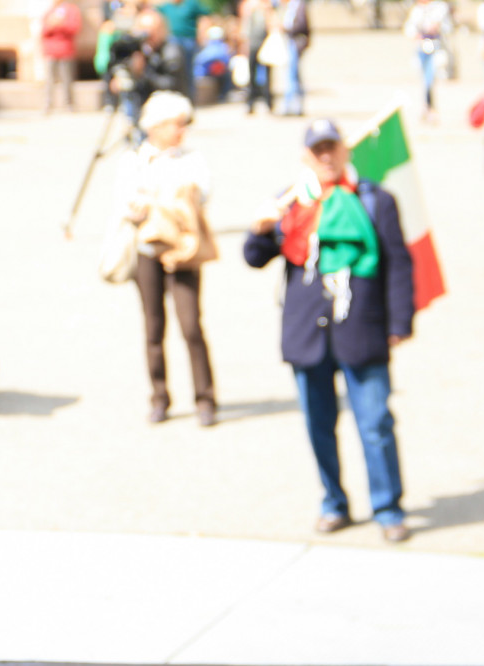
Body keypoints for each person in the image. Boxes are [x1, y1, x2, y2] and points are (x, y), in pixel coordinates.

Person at [243, 119, 413, 544]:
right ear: (306, 155)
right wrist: (261, 228)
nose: (325, 156)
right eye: (317, 149)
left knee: (375, 423)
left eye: (331, 147)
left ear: (345, 150)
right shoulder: (290, 201)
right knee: (319, 425)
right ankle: (334, 501)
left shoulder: (376, 199)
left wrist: (398, 322)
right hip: (308, 333)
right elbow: (255, 256)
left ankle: (388, 507)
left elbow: (398, 263)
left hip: (362, 327)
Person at [115, 91, 218, 426]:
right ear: (157, 126)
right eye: (176, 124)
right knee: (153, 327)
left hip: (183, 251)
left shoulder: (192, 159)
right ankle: (159, 396)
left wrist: (161, 201)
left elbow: (201, 193)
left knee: (191, 326)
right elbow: (127, 202)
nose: (181, 130)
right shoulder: (135, 159)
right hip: (149, 250)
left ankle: (205, 397)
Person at [112, 9, 188, 146]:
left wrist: (143, 73)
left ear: (161, 30)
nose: (146, 35)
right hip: (137, 105)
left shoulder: (171, 51)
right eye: (142, 29)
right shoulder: (139, 49)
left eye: (151, 31)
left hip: (162, 111)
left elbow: (171, 85)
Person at [404, 0, 453, 122]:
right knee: (424, 80)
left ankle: (432, 108)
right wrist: (416, 34)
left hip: (436, 46)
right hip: (421, 47)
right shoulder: (416, 9)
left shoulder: (439, 7)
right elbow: (410, 28)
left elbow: (440, 25)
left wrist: (434, 27)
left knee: (431, 79)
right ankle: (426, 107)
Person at [157, 0, 210, 102]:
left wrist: (202, 34)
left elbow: (204, 17)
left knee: (189, 72)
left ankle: (190, 99)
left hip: (188, 40)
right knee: (174, 72)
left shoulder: (191, 4)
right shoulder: (167, 6)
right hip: (172, 41)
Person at [41, 0, 83, 113]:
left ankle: (69, 104)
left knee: (67, 79)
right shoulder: (50, 11)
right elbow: (43, 30)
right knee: (49, 80)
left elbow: (75, 28)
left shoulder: (72, 10)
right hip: (51, 51)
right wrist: (52, 25)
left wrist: (60, 24)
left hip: (66, 50)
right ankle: (48, 104)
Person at [240, 0, 275, 115]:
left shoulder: (268, 6)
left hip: (265, 45)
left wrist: (267, 11)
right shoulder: (249, 5)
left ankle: (269, 103)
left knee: (267, 76)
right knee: (252, 76)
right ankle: (250, 103)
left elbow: (272, 24)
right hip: (252, 45)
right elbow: (245, 26)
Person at [279, 0, 310, 116]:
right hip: (291, 42)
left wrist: (286, 29)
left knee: (292, 75)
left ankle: (292, 105)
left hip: (295, 43)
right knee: (292, 75)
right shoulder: (290, 7)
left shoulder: (298, 6)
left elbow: (301, 25)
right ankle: (293, 105)